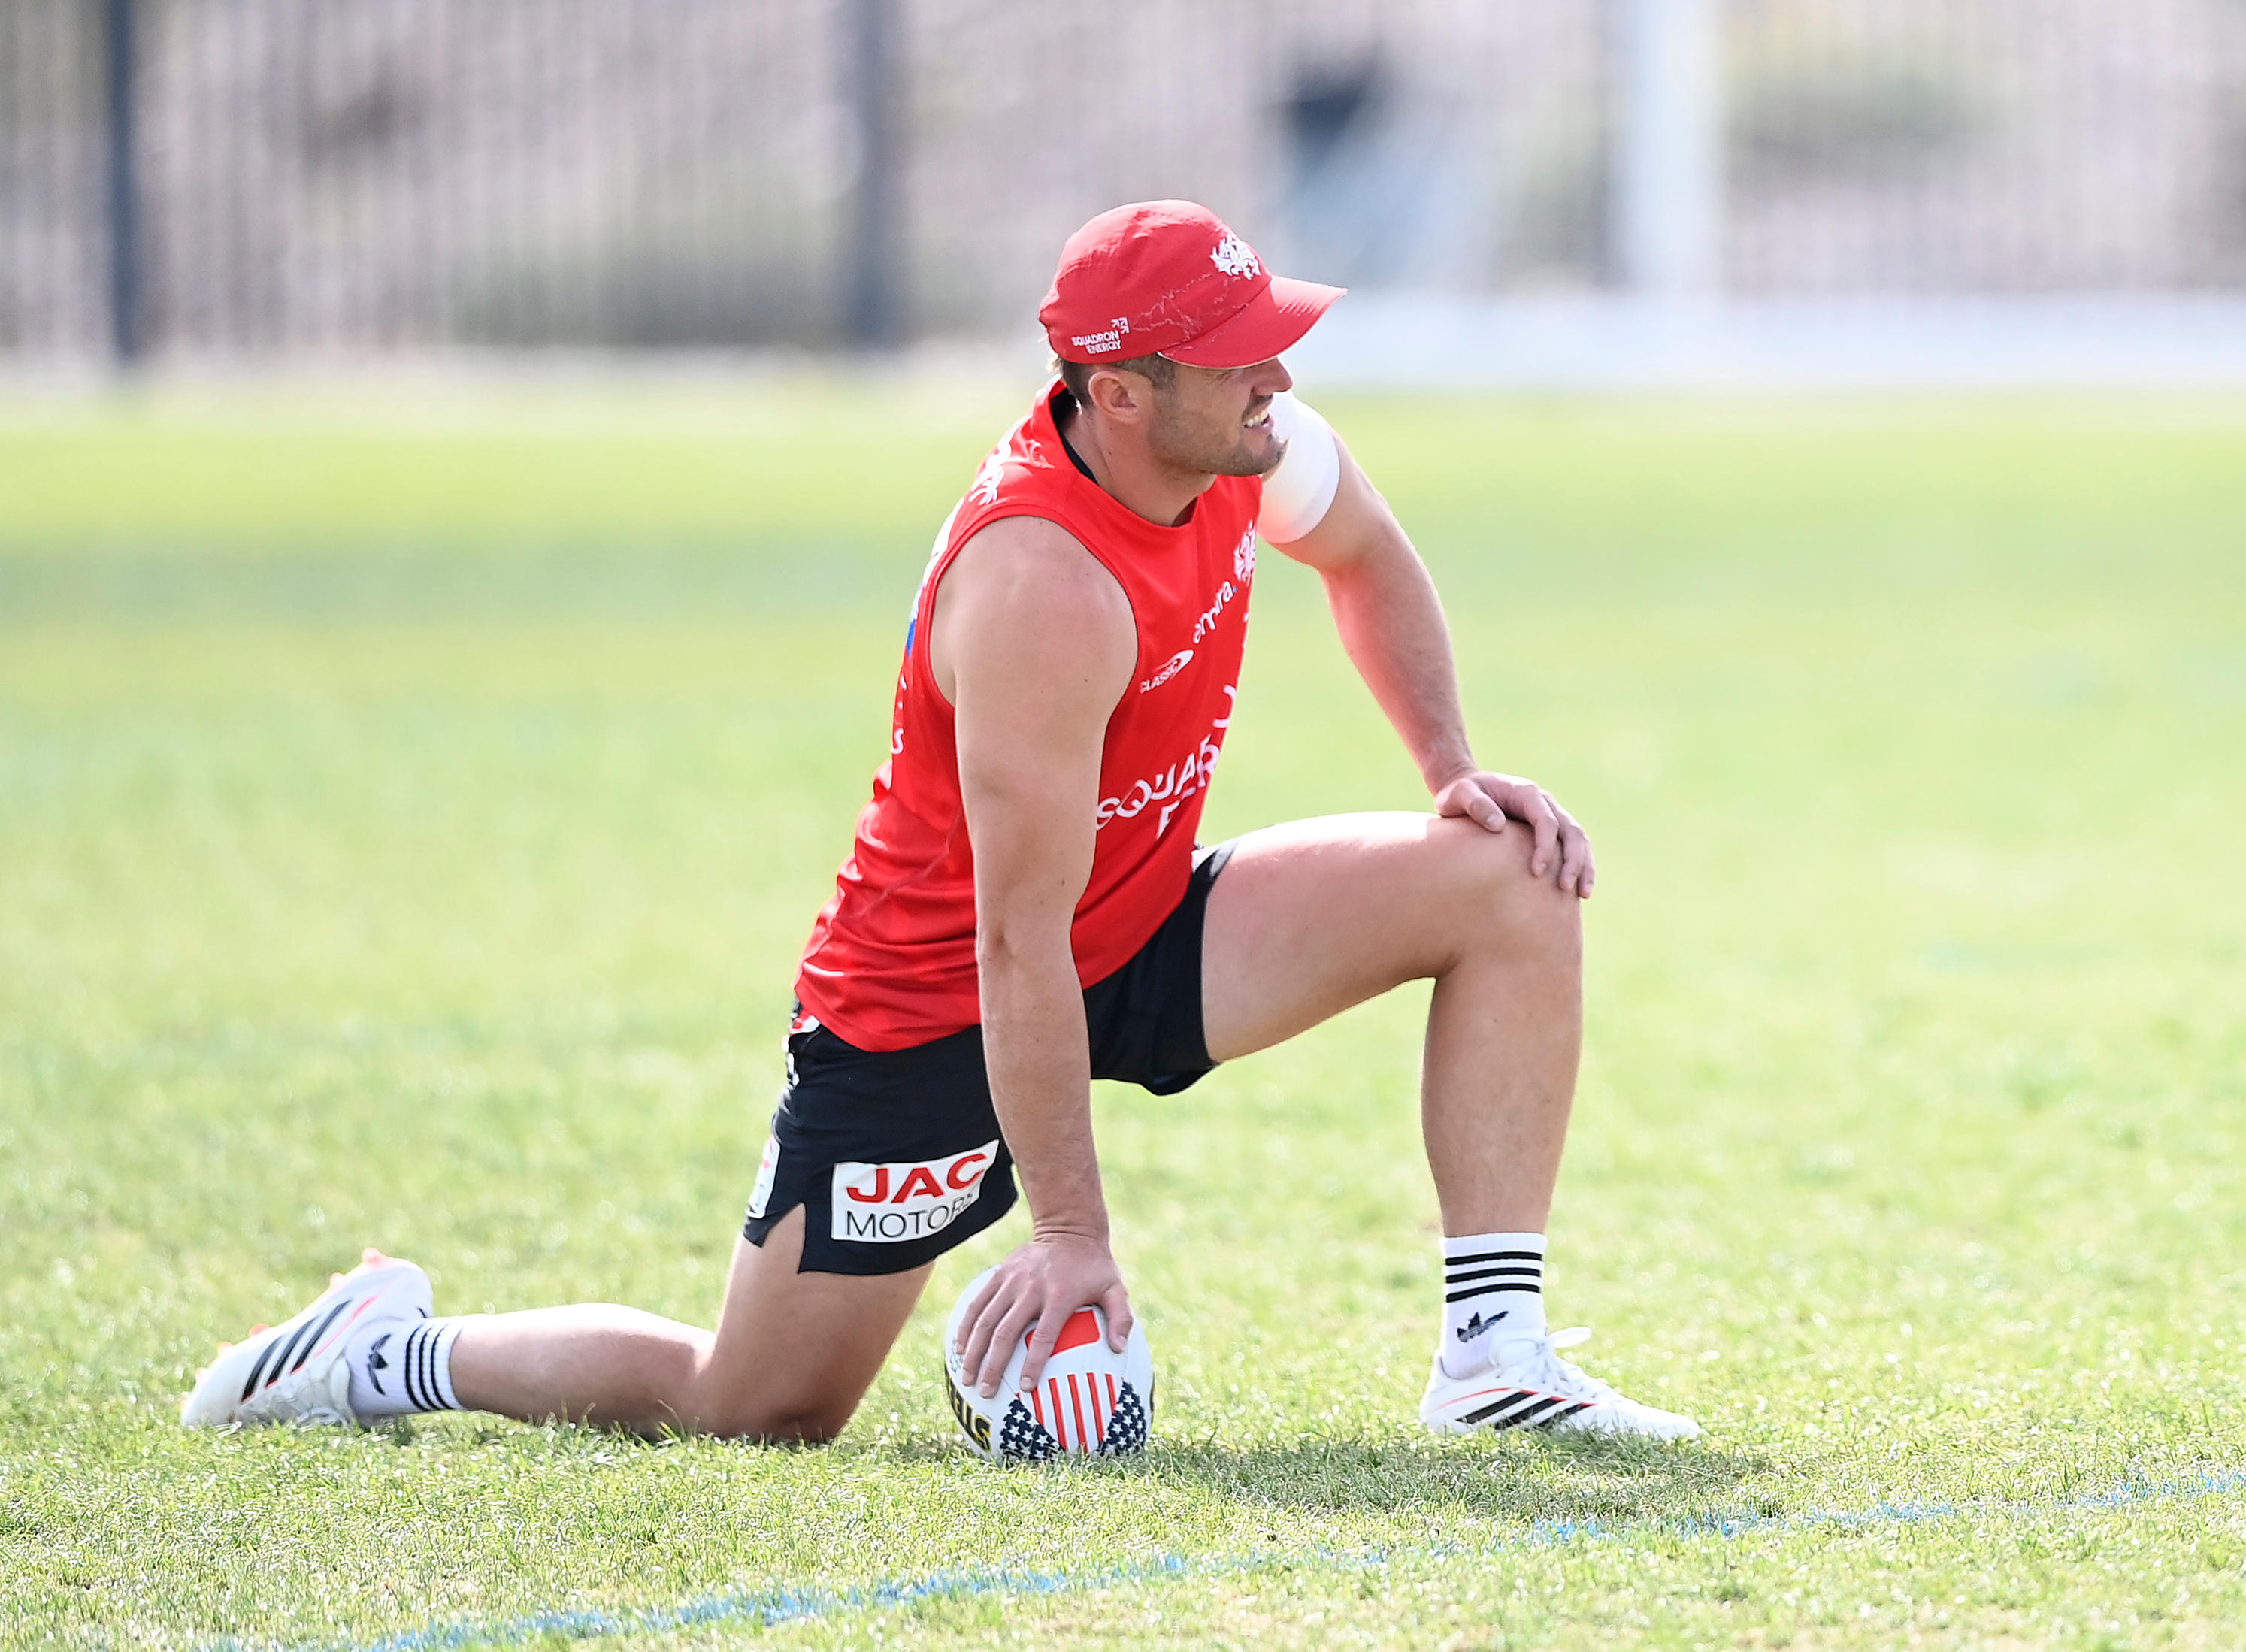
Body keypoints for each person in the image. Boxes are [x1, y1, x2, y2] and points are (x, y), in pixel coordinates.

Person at [186, 201, 1697, 1444]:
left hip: (1143, 923)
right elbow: (1012, 942)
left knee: (1508, 876)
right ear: (1120, 393)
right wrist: (1074, 1236)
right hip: (930, 1012)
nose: (1278, 382)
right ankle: (392, 1348)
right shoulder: (1039, 584)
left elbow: (1371, 560)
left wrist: (1450, 763)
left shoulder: (1245, 445)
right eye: (1238, 359)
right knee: (753, 1410)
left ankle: (1495, 1360)